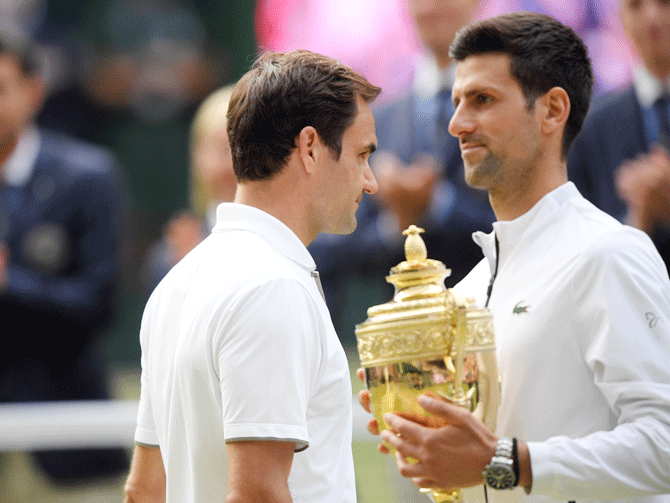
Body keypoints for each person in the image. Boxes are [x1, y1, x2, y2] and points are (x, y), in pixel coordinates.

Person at [359, 12, 670, 503]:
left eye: (482, 100)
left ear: (552, 111)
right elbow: (477, 467)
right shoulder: (465, 292)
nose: (457, 123)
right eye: (458, 101)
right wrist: (419, 422)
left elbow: (664, 447)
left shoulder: (610, 254)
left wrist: (507, 462)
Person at [123, 49, 380, 503]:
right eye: (362, 155)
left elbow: (144, 491)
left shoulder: (175, 286)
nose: (370, 181)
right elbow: (258, 493)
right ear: (309, 148)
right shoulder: (273, 287)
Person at [308, 0, 495, 335]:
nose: (432, 7)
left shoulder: (505, 110)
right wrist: (396, 223)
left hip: (491, 327)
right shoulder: (380, 119)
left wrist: (437, 205)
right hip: (407, 345)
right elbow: (348, 245)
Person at [0, 22, 128, 483]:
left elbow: (99, 304)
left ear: (34, 91)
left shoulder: (86, 178)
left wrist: (10, 283)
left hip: (67, 445)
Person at [568, 0, 670, 274]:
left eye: (665, 3)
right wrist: (640, 216)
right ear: (620, 18)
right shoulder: (591, 127)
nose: (652, 17)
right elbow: (577, 253)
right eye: (636, 5)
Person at [139, 85, 236, 290]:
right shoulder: (170, 255)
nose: (234, 164)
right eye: (224, 149)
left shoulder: (307, 245)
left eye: (247, 149)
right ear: (196, 158)